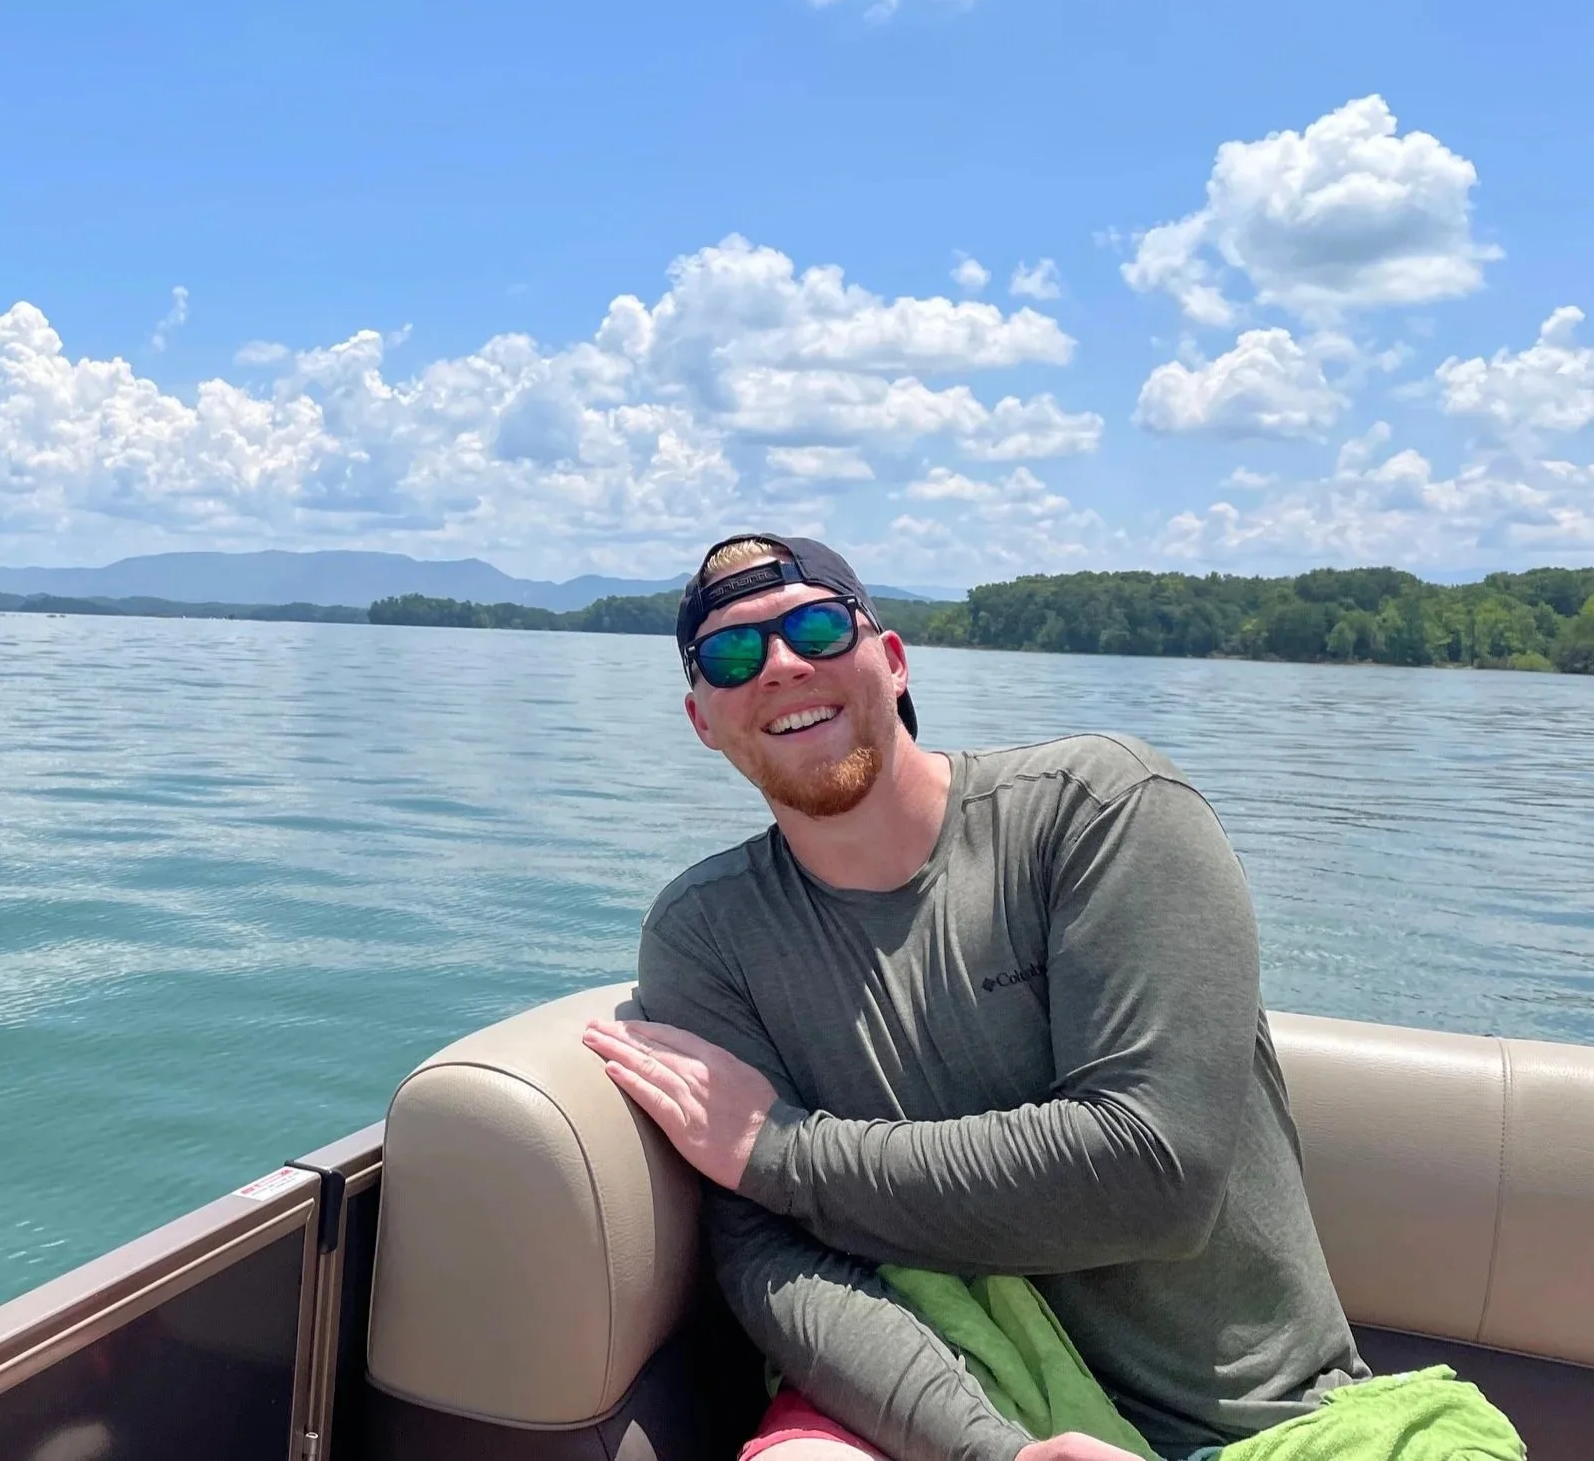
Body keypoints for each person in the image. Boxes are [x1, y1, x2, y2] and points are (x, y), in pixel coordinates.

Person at [579, 533, 1365, 1461]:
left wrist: (780, 1151)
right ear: (701, 718)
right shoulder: (706, 934)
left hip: (1253, 1419)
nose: (783, 667)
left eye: (819, 629)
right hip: (942, 1386)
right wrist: (992, 1452)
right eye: (732, 655)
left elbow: (1152, 1175)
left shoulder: (1099, 810)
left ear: (895, 661)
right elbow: (765, 1254)